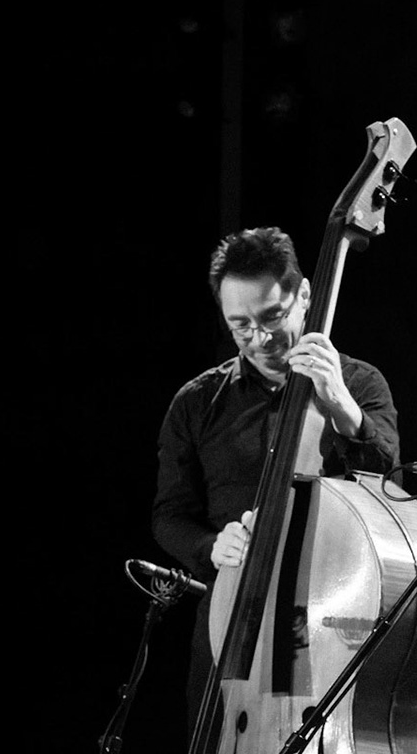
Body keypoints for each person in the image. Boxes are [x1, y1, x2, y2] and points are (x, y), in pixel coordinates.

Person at [152, 226, 401, 719]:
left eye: (272, 317)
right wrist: (210, 547)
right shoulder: (197, 402)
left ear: (305, 295)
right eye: (240, 325)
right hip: (229, 626)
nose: (260, 339)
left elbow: (388, 491)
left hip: (328, 625)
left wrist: (343, 410)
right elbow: (169, 516)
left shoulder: (360, 383)